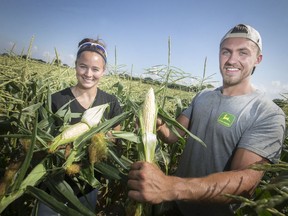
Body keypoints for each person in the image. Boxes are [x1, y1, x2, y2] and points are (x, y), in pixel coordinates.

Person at [127, 24, 286, 216]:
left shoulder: (267, 113)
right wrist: (156, 124)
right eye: (226, 52)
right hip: (174, 206)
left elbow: (244, 183)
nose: (232, 60)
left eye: (243, 52)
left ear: (257, 59)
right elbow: (173, 135)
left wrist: (169, 186)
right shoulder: (202, 96)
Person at [36, 38, 122, 215]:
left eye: (95, 69)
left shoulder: (111, 103)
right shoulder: (55, 99)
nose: (88, 74)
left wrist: (102, 140)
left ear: (103, 71)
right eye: (83, 66)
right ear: (75, 65)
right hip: (51, 185)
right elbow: (40, 143)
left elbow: (116, 140)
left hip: (87, 187)